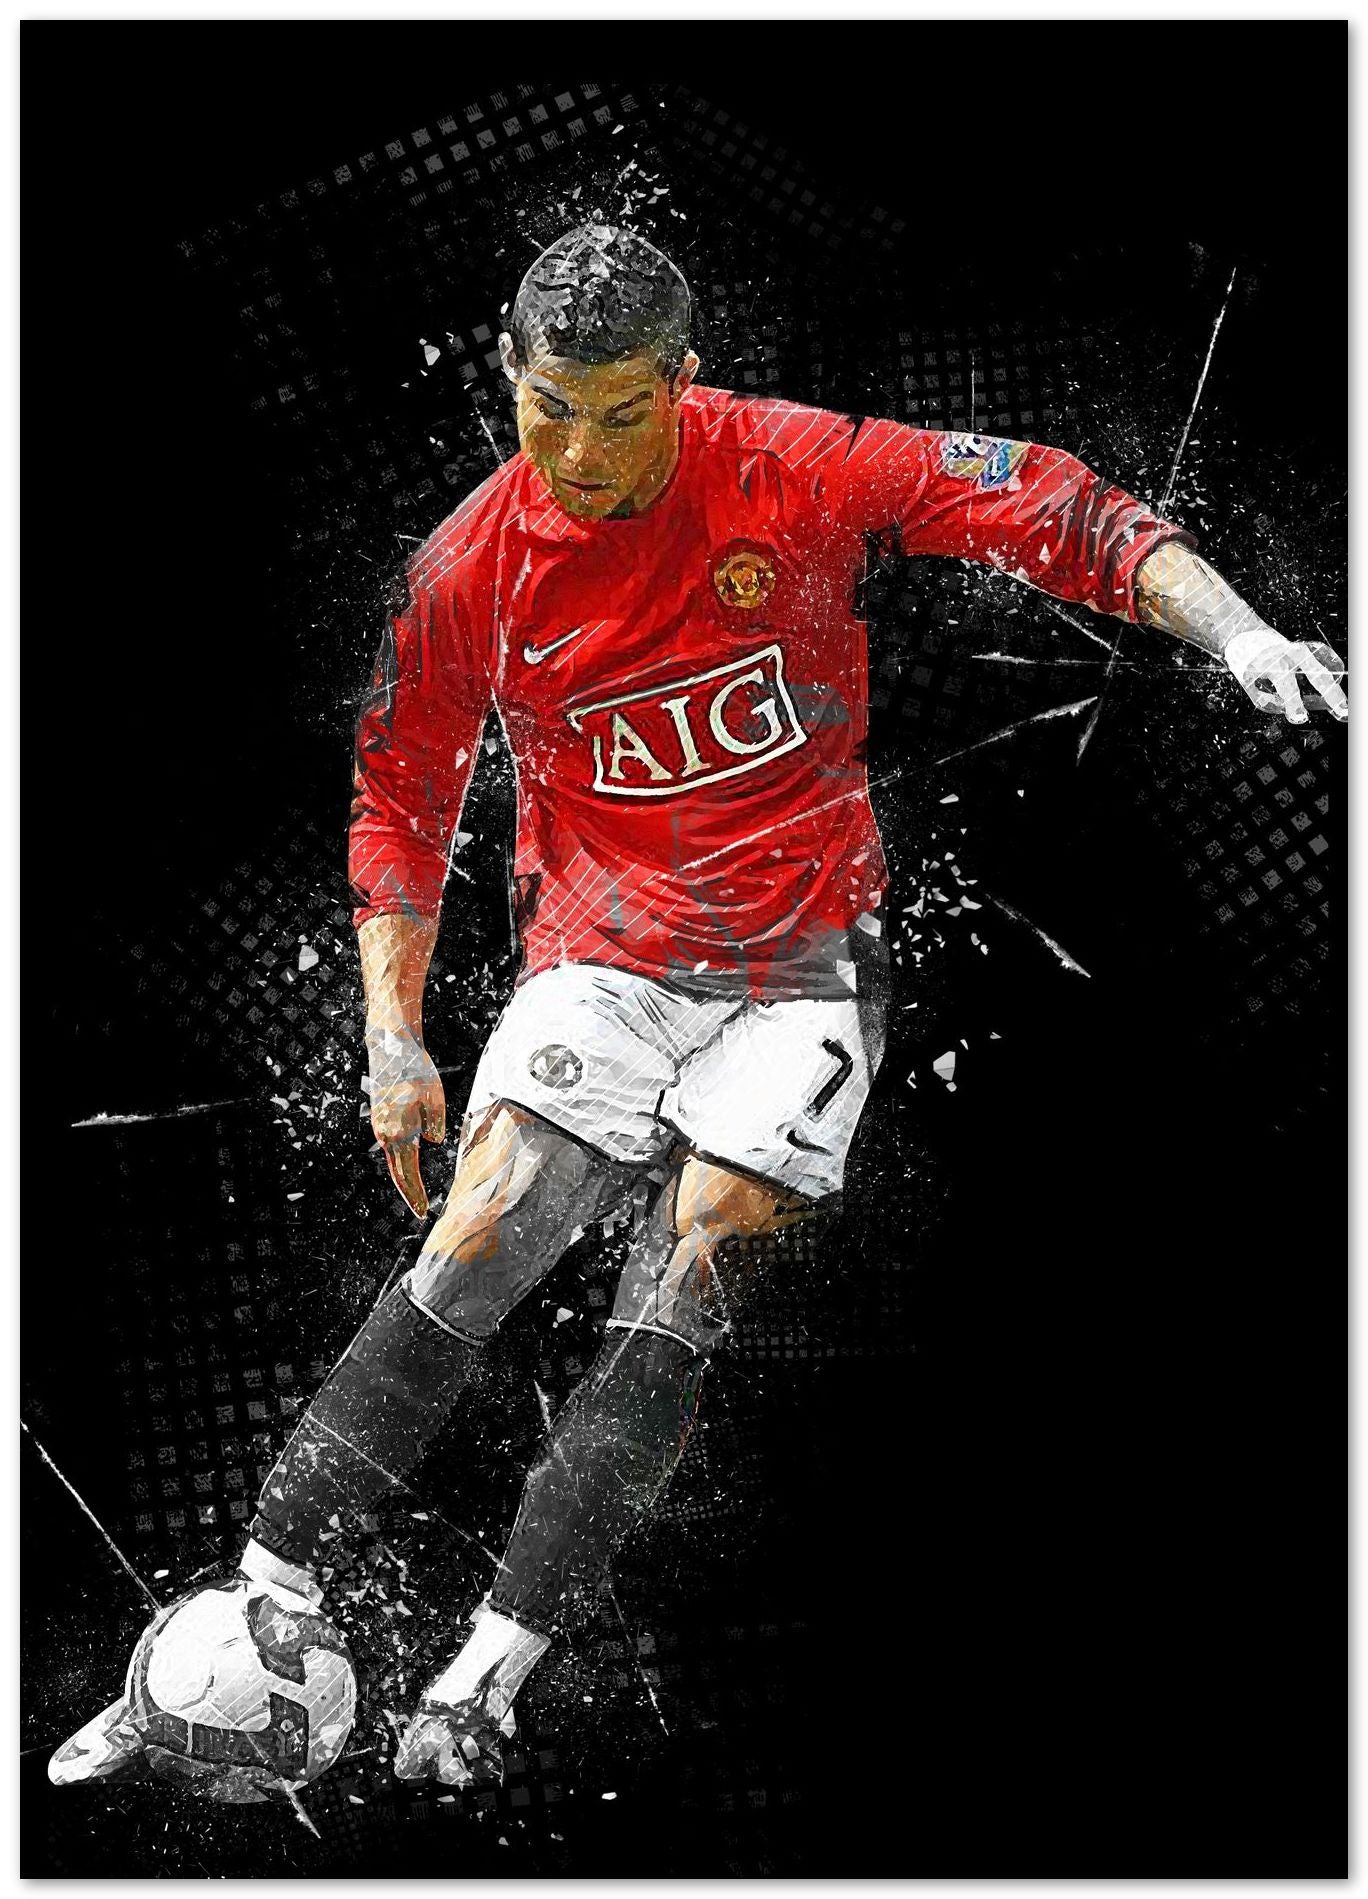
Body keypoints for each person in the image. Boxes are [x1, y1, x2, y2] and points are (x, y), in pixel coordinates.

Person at [51, 223, 1347, 1793]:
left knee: (696, 1255)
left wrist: (1241, 630)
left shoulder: (792, 466)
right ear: (509, 377)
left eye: (622, 413)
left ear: (682, 380)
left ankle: (484, 1676)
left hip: (807, 959)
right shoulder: (467, 568)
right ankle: (261, 1598)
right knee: (489, 1221)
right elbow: (398, 801)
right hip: (603, 946)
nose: (583, 454)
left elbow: (1053, 501)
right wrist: (393, 1033)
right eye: (550, 411)